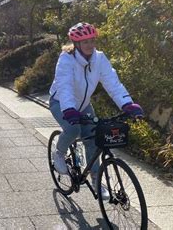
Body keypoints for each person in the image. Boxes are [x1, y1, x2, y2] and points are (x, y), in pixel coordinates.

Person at [49, 22, 144, 198]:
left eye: (92, 40)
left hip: (84, 105)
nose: (90, 45)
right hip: (60, 102)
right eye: (85, 42)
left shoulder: (99, 58)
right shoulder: (66, 59)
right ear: (76, 44)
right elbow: (64, 85)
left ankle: (96, 180)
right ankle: (59, 153)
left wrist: (127, 104)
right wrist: (69, 108)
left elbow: (112, 82)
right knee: (72, 129)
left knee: (93, 139)